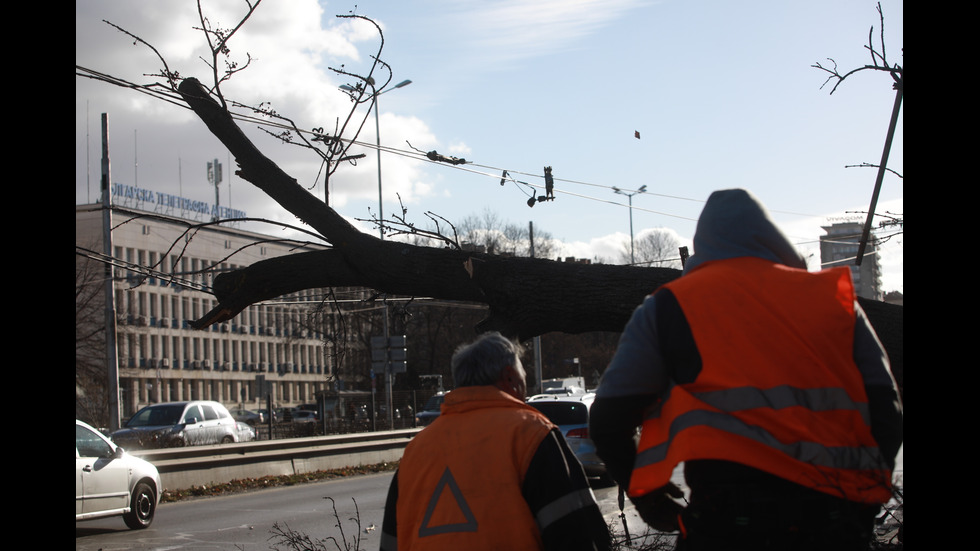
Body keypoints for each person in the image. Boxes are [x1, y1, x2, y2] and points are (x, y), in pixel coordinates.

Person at [589, 188, 903, 550]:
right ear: (775, 239)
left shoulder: (670, 307)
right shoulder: (832, 301)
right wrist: (861, 503)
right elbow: (886, 409)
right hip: (831, 520)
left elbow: (609, 419)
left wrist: (649, 498)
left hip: (729, 524)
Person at [380, 332, 611, 551]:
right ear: (510, 377)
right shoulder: (531, 434)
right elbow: (578, 533)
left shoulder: (415, 452)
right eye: (524, 376)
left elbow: (391, 543)